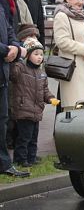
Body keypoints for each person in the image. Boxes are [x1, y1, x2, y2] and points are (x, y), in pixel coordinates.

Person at [0, 0, 29, 177]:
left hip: (3, 70)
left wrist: (16, 48)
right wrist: (5, 50)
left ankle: (3, 164)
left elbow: (10, 31)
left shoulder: (8, 4)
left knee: (2, 118)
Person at [10, 38, 58, 167]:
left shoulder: (41, 73)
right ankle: (20, 159)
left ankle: (31, 157)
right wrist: (19, 60)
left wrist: (51, 98)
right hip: (24, 108)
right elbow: (13, 75)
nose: (39, 57)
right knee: (24, 137)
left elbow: (45, 90)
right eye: (35, 54)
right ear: (28, 55)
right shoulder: (21, 68)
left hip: (37, 110)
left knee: (33, 136)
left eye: (41, 54)